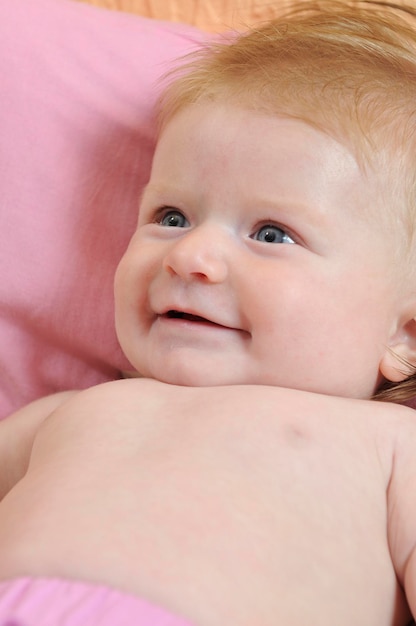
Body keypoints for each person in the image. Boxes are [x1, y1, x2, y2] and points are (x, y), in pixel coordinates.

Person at [0, 1, 416, 624]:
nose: (191, 255)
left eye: (272, 234)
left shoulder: (391, 449)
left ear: (406, 334)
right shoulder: (65, 416)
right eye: (171, 218)